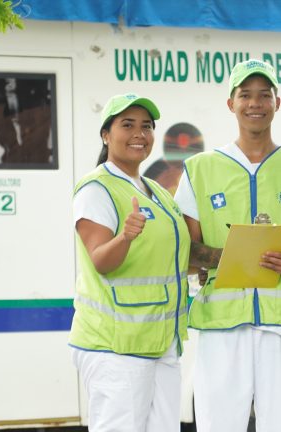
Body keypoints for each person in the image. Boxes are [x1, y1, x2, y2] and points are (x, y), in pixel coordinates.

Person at [173, 59, 281, 432]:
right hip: (222, 325)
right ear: (231, 104)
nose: (255, 103)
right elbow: (184, 250)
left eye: (264, 95)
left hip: (280, 324)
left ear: (277, 103)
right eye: (245, 95)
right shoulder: (200, 169)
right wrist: (228, 256)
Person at [68, 93, 190, 432]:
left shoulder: (158, 192)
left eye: (146, 126)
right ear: (106, 135)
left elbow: (173, 259)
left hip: (161, 342)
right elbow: (100, 260)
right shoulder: (96, 189)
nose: (139, 133)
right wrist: (124, 237)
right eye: (127, 125)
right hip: (117, 347)